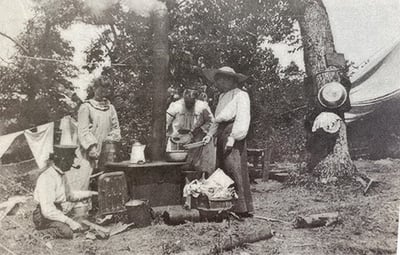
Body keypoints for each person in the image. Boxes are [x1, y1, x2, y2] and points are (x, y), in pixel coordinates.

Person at [202, 66, 254, 217]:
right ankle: (224, 204)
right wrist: (210, 135)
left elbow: (243, 118)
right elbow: (217, 120)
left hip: (233, 132)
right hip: (221, 132)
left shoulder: (241, 95)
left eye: (224, 78)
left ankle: (241, 207)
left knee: (234, 167)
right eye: (219, 79)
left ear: (233, 80)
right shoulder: (222, 97)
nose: (220, 82)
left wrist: (234, 137)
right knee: (221, 168)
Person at [66, 76, 121, 191]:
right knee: (84, 183)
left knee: (106, 182)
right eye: (101, 89)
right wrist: (91, 147)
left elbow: (116, 129)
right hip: (88, 152)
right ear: (94, 88)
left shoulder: (110, 108)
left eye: (106, 89)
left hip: (106, 152)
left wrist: (110, 142)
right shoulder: (86, 107)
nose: (104, 92)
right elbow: (83, 130)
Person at [33, 145, 97, 239]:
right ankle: (39, 233)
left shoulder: (61, 175)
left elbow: (70, 196)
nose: (73, 162)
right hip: (43, 216)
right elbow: (47, 210)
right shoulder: (47, 178)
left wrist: (90, 194)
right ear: (63, 160)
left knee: (82, 222)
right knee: (67, 232)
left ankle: (63, 225)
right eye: (71, 159)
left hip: (57, 211)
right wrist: (69, 221)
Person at [166, 85, 216, 174]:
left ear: (195, 100)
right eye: (187, 101)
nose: (189, 104)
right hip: (176, 141)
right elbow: (165, 122)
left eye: (191, 102)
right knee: (175, 168)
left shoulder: (202, 106)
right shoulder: (175, 106)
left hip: (194, 141)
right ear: (183, 98)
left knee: (194, 167)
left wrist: (201, 129)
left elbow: (211, 121)